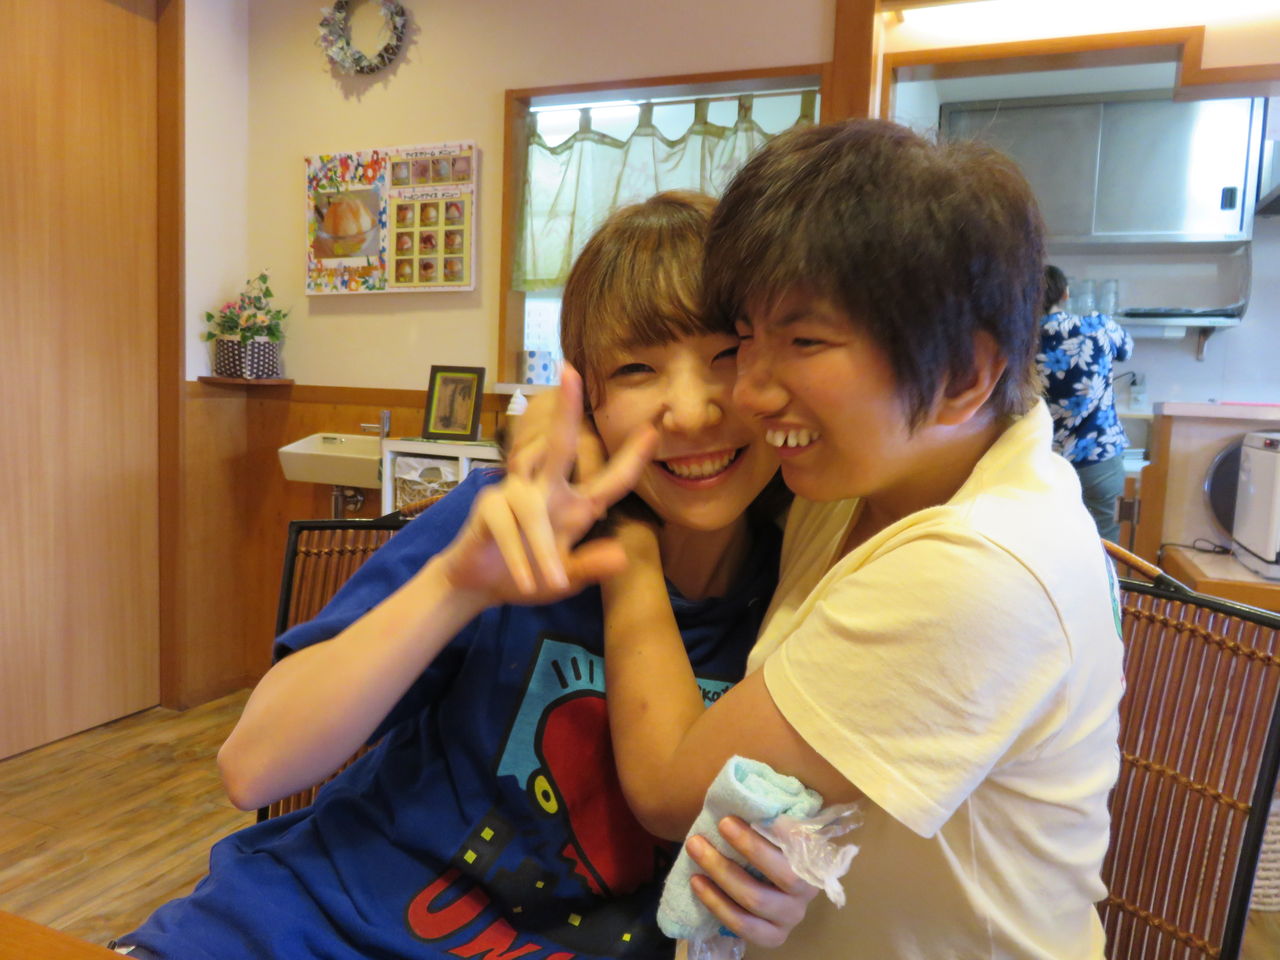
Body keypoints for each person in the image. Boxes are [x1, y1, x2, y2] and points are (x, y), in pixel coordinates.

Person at [111, 192, 811, 960]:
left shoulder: (807, 593)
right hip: (302, 926)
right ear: (590, 404)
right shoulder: (503, 522)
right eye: (638, 368)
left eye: (728, 353)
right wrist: (457, 586)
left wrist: (774, 898)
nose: (692, 410)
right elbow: (253, 767)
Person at [507, 120, 1125, 958]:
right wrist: (561, 416)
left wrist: (628, 543)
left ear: (963, 374)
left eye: (803, 341)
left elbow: (672, 790)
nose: (749, 392)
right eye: (746, 339)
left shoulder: (979, 569)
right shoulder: (870, 471)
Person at [1037, 264, 1134, 541]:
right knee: (1105, 545)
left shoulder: (1018, 340)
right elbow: (1126, 349)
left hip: (1043, 461)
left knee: (1049, 543)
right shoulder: (1098, 326)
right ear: (1065, 294)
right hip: (1098, 455)